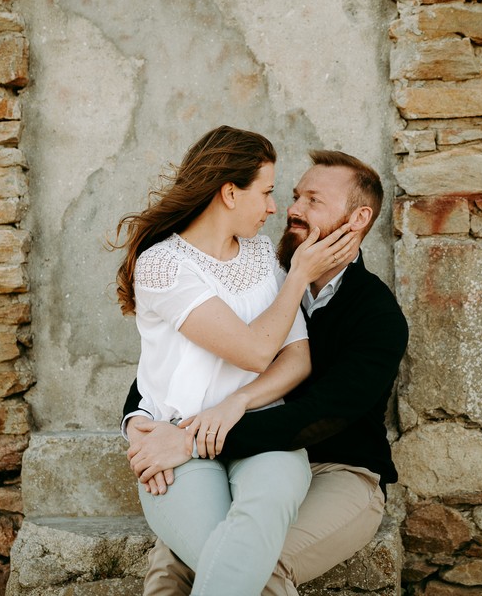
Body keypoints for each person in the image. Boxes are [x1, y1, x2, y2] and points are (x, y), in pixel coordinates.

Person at [124, 149, 409, 595]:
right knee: (171, 567)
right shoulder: (270, 277)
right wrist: (140, 421)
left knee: (259, 562)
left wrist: (188, 439)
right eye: (294, 195)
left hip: (340, 471)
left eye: (313, 201)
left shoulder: (376, 315)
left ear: (357, 219)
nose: (292, 209)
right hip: (241, 457)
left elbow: (321, 414)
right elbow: (180, 359)